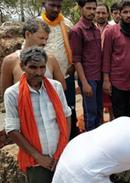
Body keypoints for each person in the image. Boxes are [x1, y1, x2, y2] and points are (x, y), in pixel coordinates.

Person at [4, 47, 71, 183]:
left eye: (42, 67)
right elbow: (12, 130)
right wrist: (39, 157)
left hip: (60, 154)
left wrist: (63, 147)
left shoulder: (56, 87)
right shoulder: (12, 94)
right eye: (33, 67)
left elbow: (66, 116)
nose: (39, 72)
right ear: (22, 67)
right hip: (36, 161)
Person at [40, 0, 79, 139]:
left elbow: (74, 46)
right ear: (44, 4)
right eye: (52, 5)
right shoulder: (37, 24)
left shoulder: (66, 23)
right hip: (45, 79)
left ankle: (72, 137)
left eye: (59, 6)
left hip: (66, 76)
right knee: (51, 112)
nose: (56, 9)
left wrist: (73, 65)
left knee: (70, 108)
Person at [103, 1, 130, 118]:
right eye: (125, 12)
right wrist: (106, 80)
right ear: (120, 14)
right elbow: (106, 57)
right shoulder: (111, 32)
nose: (129, 15)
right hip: (117, 82)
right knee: (119, 117)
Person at [0, 18, 66, 95]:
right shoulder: (10, 61)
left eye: (46, 39)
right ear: (27, 34)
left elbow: (62, 87)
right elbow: (6, 94)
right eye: (41, 38)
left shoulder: (50, 59)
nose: (44, 42)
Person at [70, 0, 103, 131]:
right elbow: (76, 59)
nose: (92, 12)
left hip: (98, 76)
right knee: (91, 113)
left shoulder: (95, 29)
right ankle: (91, 140)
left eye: (94, 9)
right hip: (88, 78)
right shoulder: (77, 30)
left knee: (99, 109)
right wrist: (84, 83)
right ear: (80, 8)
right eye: (88, 8)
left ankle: (99, 137)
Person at [95, 2, 114, 122]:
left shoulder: (113, 30)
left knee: (111, 98)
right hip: (94, 71)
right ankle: (101, 123)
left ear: (108, 14)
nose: (101, 15)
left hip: (111, 70)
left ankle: (112, 121)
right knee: (98, 99)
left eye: (103, 12)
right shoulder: (90, 29)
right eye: (98, 12)